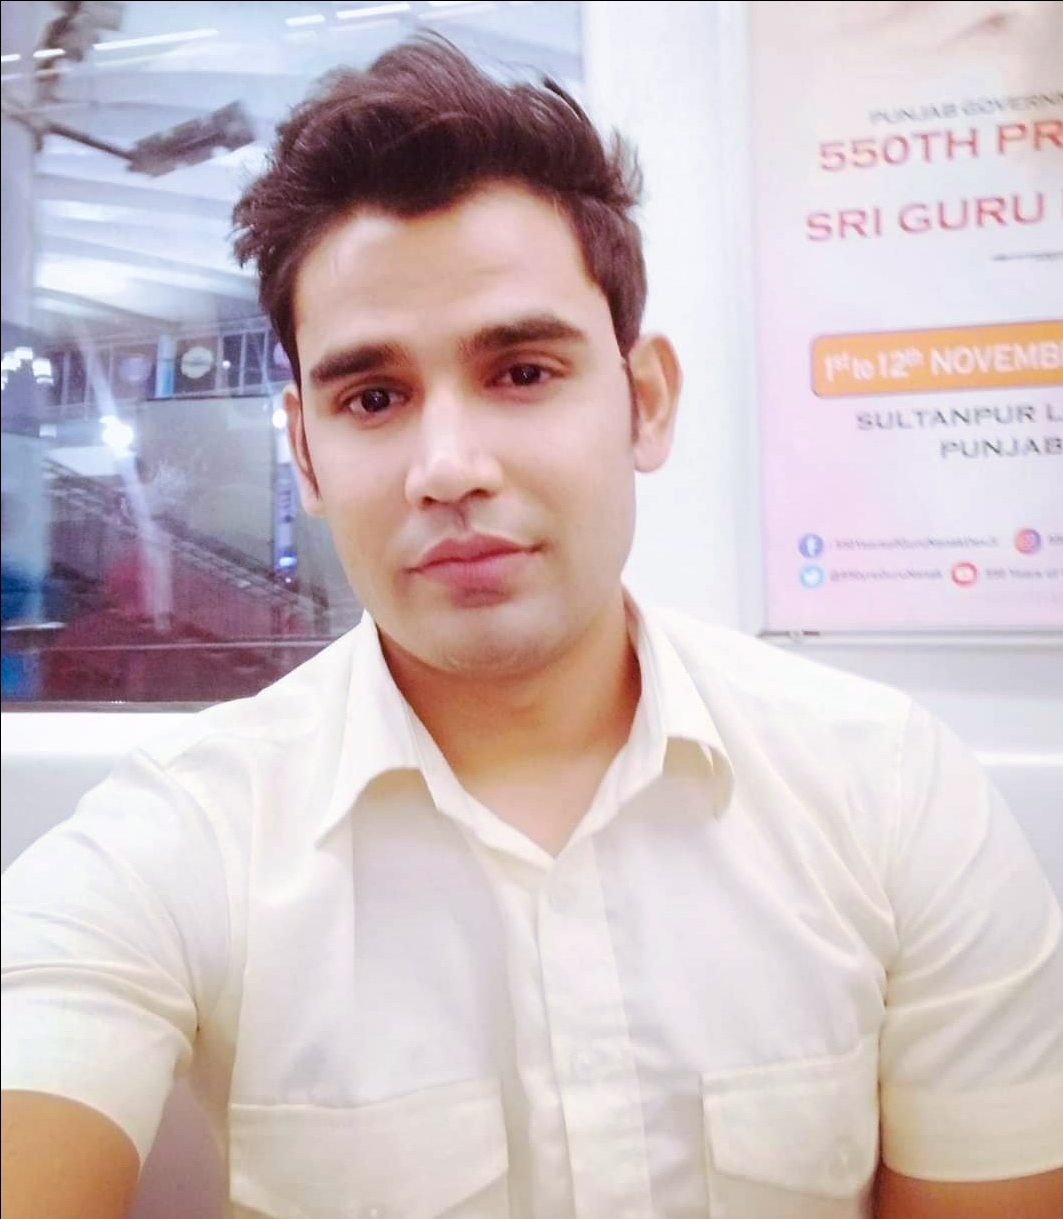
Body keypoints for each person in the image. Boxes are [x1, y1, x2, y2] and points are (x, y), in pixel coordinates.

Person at [2, 36, 1061, 1219]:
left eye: (521, 372)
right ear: (304, 451)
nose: (448, 467)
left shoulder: (888, 791)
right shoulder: (183, 838)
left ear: (643, 400)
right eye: (373, 397)